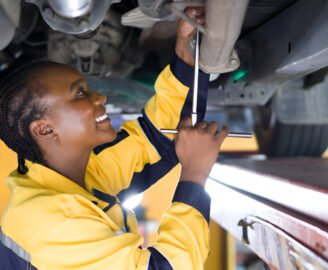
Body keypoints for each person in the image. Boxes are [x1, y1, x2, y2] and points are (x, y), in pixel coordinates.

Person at [0, 8, 228, 270]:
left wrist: (186, 61)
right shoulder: (53, 223)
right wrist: (195, 176)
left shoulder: (77, 176)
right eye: (80, 94)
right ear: (45, 130)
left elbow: (152, 142)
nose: (100, 98)